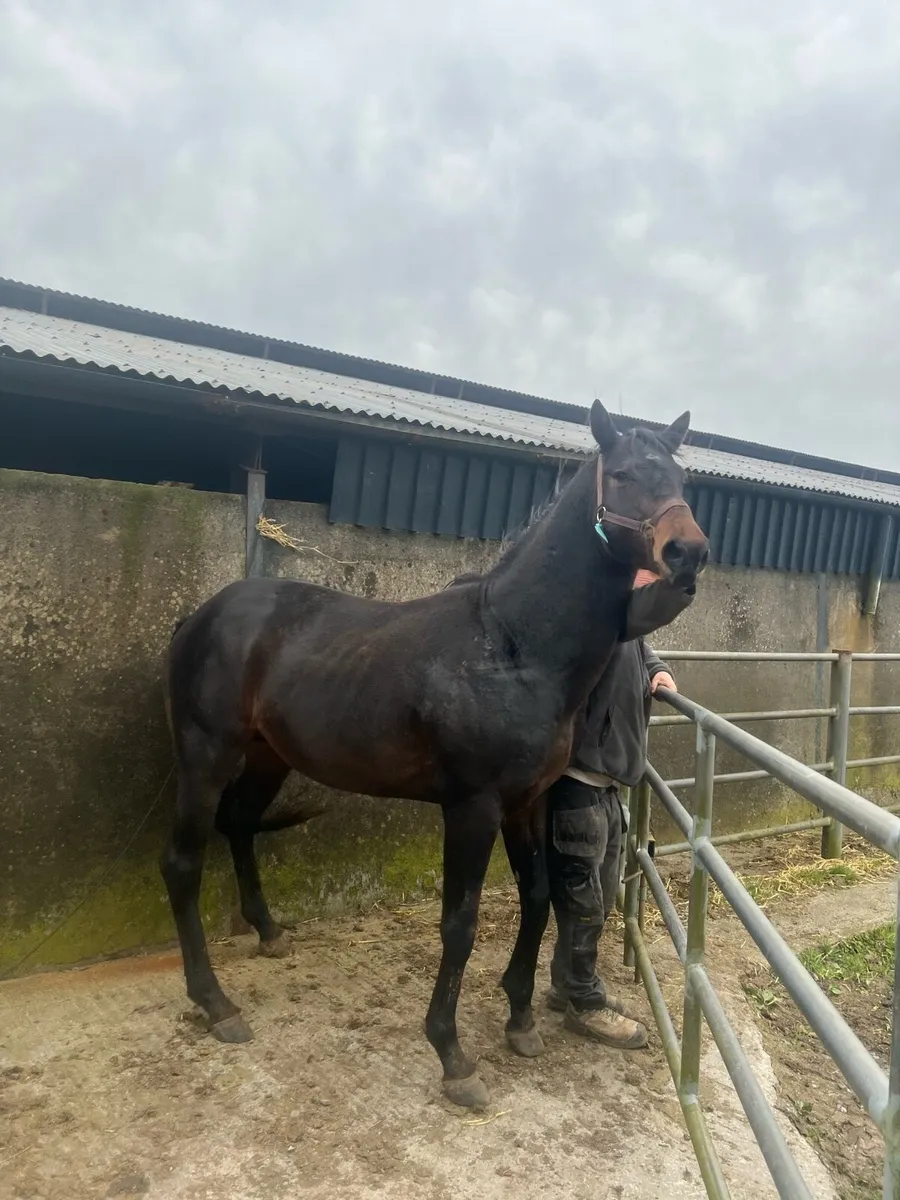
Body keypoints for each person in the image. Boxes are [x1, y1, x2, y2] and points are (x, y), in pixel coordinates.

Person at [544, 569, 688, 1050]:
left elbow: (642, 651)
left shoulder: (628, 625)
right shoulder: (594, 614)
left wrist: (657, 670)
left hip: (609, 782)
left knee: (601, 898)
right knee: (584, 902)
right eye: (644, 574)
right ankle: (583, 1002)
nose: (651, 581)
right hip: (579, 778)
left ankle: (567, 983)